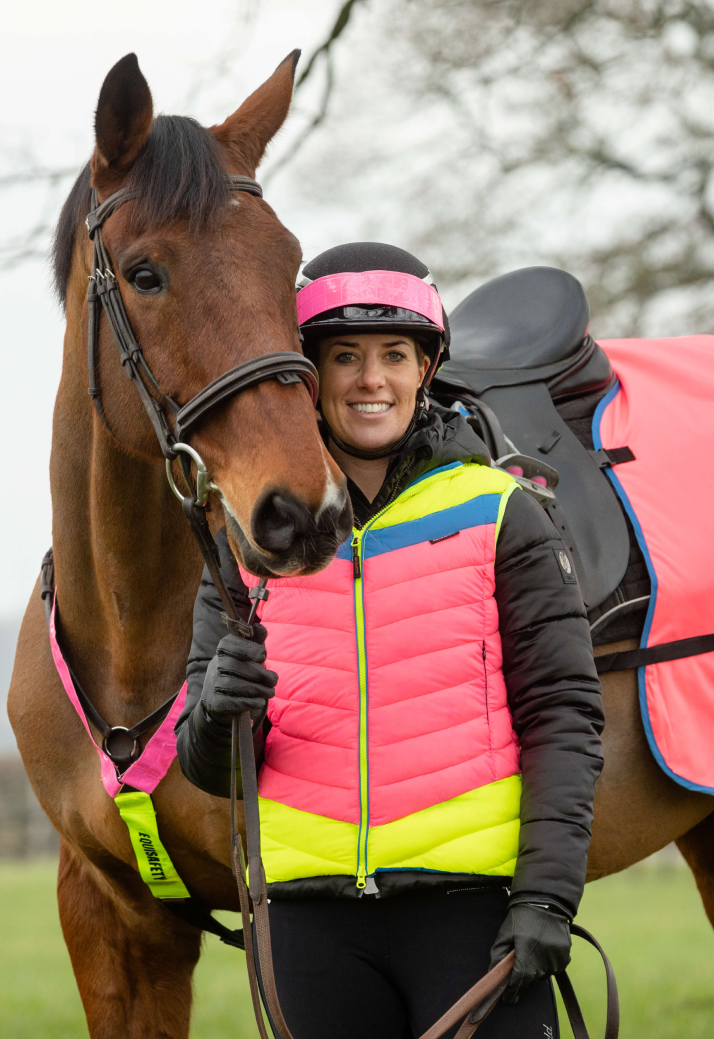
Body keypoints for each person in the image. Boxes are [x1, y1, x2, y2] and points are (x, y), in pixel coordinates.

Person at [175, 242, 605, 1038]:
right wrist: (216, 710)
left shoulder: (502, 513)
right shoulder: (245, 541)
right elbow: (211, 770)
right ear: (310, 374)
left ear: (425, 368)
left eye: (394, 356)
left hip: (470, 915)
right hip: (310, 926)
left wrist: (547, 896)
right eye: (345, 357)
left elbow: (564, 718)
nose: (371, 380)